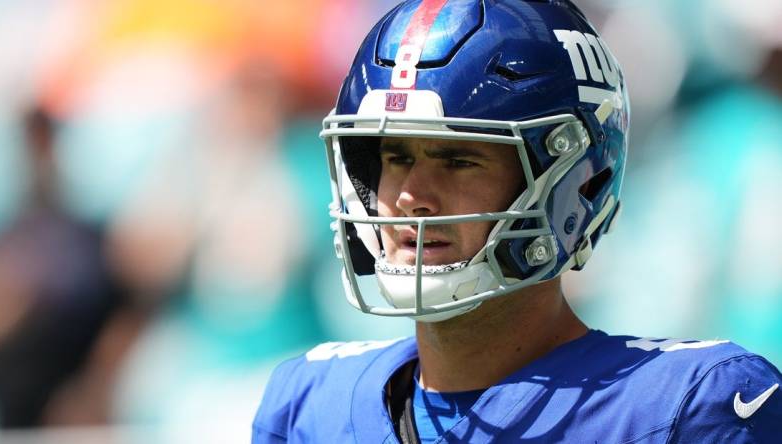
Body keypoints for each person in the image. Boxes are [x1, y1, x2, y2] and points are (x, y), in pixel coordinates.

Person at [252, 1, 782, 442]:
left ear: (574, 183)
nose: (411, 197)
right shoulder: (307, 407)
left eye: (460, 159)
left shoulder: (684, 408)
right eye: (395, 157)